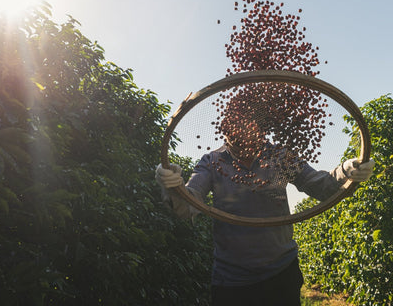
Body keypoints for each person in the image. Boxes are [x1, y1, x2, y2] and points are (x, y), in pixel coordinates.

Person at [155, 117, 374, 306]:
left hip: (281, 271)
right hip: (231, 279)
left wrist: (347, 171)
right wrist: (173, 187)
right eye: (234, 130)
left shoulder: (279, 156)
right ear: (224, 129)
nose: (243, 137)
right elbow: (189, 205)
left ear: (260, 129)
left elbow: (320, 185)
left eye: (249, 129)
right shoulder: (212, 162)